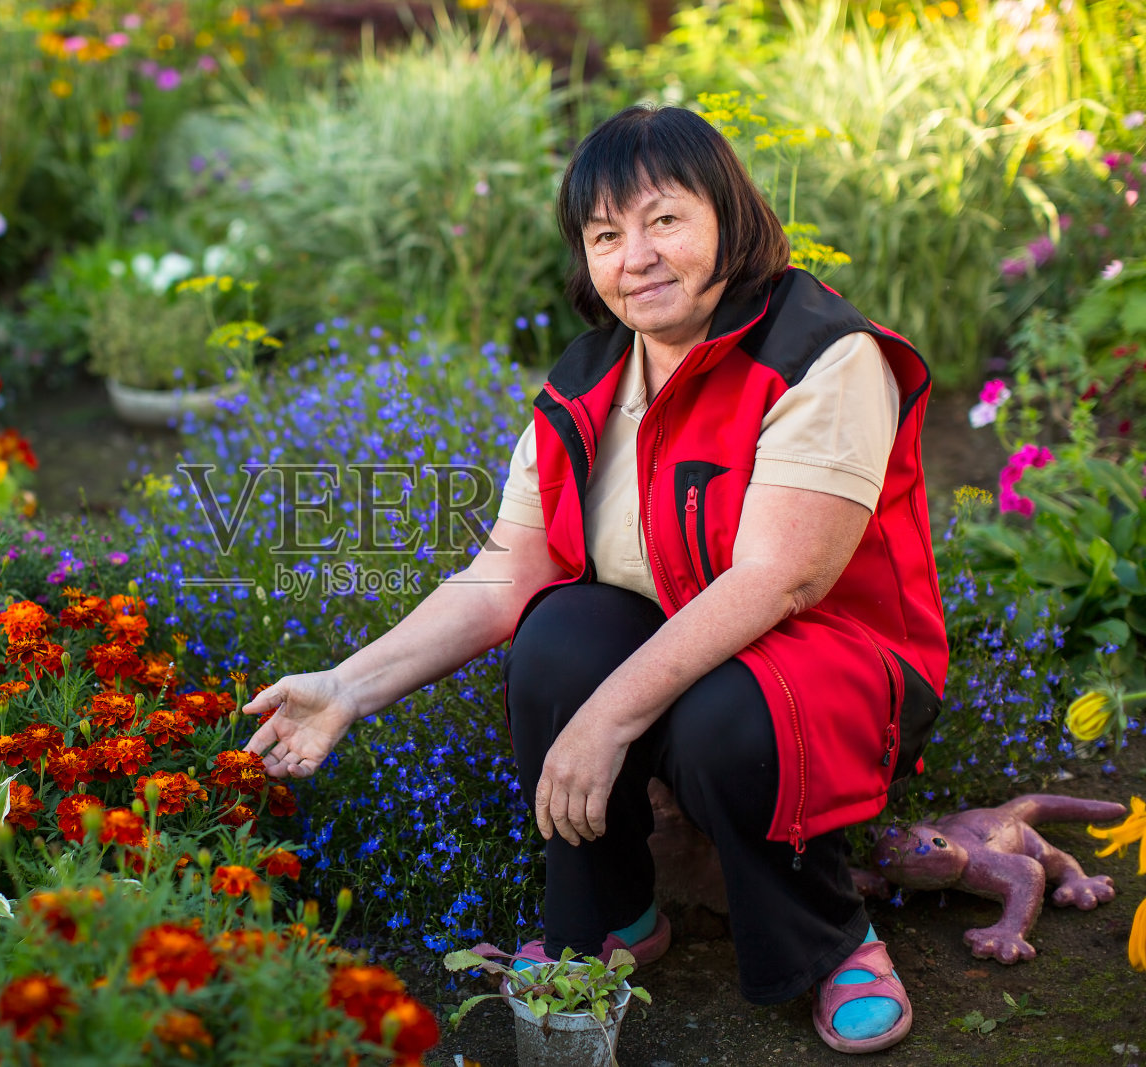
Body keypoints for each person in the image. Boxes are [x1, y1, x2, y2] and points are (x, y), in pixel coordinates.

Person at [240, 105, 947, 1055]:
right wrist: (346, 688)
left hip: (842, 664)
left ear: (729, 219)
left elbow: (779, 581)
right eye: (606, 235)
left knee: (724, 716)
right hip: (687, 647)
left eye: (664, 221)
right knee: (557, 631)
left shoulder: (821, 355)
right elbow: (502, 577)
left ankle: (831, 939)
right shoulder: (587, 387)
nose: (637, 257)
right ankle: (611, 916)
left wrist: (608, 719)